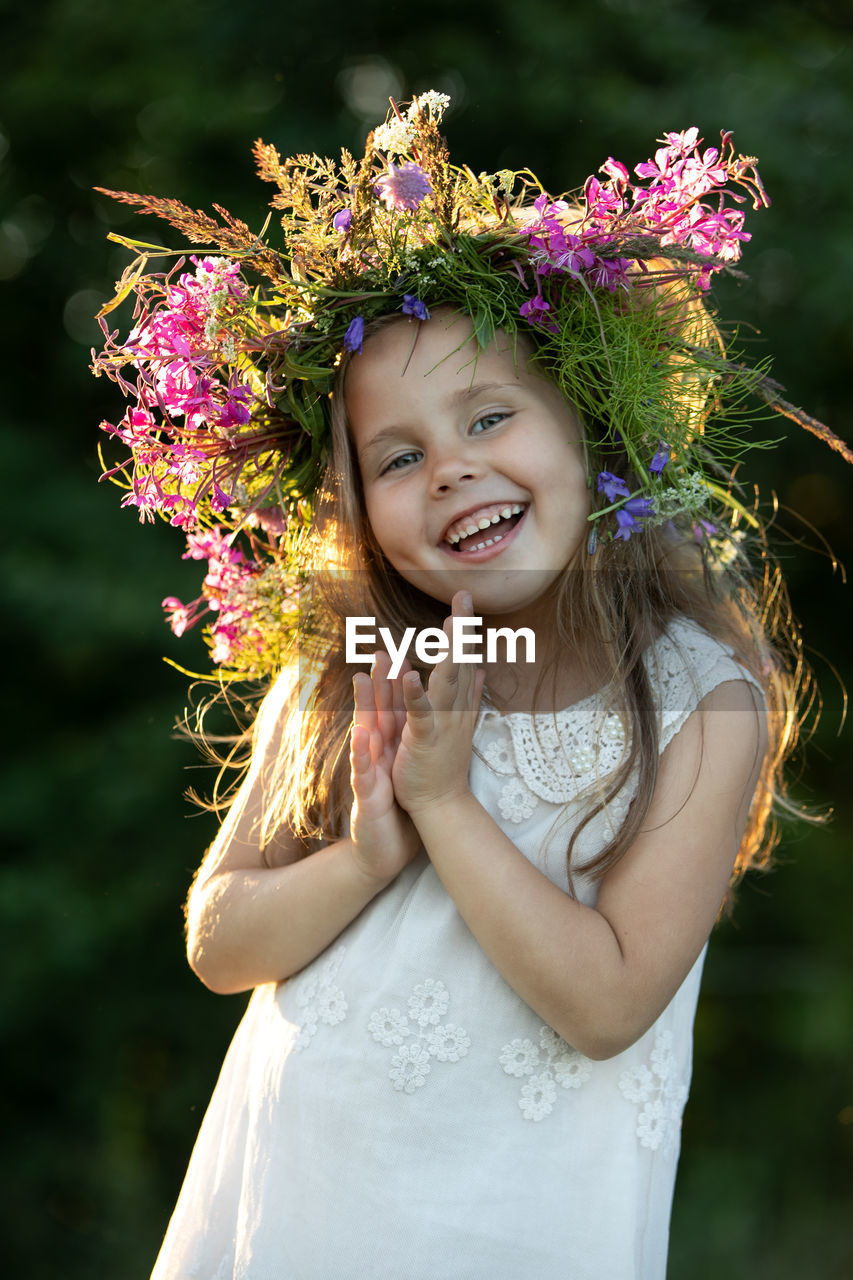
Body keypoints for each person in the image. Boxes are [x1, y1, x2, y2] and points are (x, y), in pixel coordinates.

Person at [93, 96, 851, 1278]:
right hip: (297, 1204)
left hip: (516, 1228)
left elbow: (606, 1006)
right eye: (398, 456)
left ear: (589, 433)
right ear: (361, 513)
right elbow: (221, 941)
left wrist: (445, 806)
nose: (450, 468)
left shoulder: (705, 698)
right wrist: (370, 853)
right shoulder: (356, 666)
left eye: (488, 415)